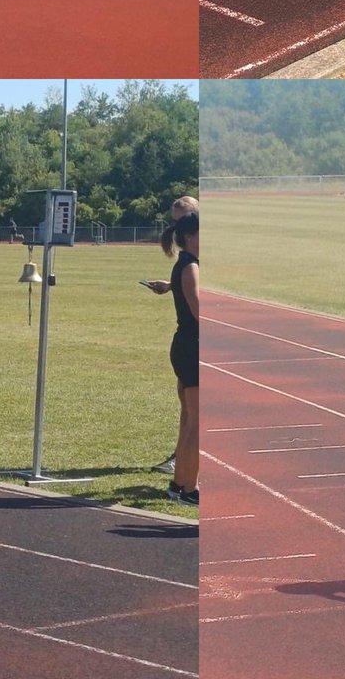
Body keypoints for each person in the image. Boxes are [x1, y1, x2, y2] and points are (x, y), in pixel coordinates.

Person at [146, 197, 199, 486]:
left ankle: (182, 469)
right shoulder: (189, 262)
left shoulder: (192, 259)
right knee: (194, 416)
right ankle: (184, 476)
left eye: (182, 219)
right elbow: (197, 304)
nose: (177, 226)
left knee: (192, 415)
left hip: (188, 341)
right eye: (175, 221)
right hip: (191, 342)